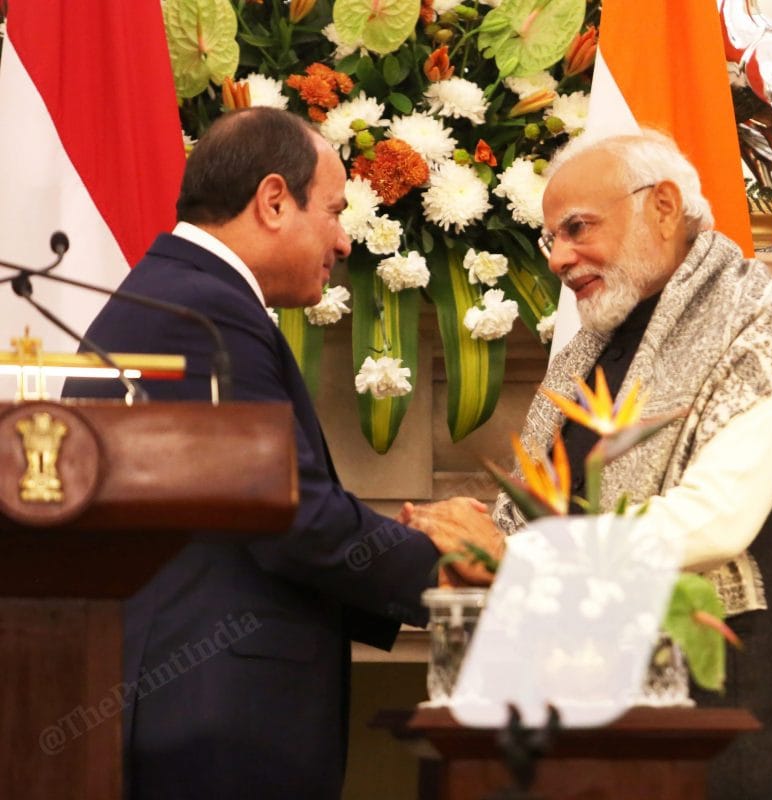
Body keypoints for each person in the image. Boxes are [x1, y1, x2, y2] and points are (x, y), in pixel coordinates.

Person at [412, 130, 772, 800]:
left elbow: (712, 523)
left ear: (662, 206)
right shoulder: (591, 349)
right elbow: (547, 502)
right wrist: (472, 537)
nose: (560, 259)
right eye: (550, 239)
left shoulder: (763, 329)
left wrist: (519, 554)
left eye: (577, 229)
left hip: (744, 740)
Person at [62, 107, 498, 800]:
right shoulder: (201, 311)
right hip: (211, 729)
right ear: (272, 201)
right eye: (332, 211)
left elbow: (255, 509)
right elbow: (288, 515)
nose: (345, 242)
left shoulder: (176, 295)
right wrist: (461, 564)